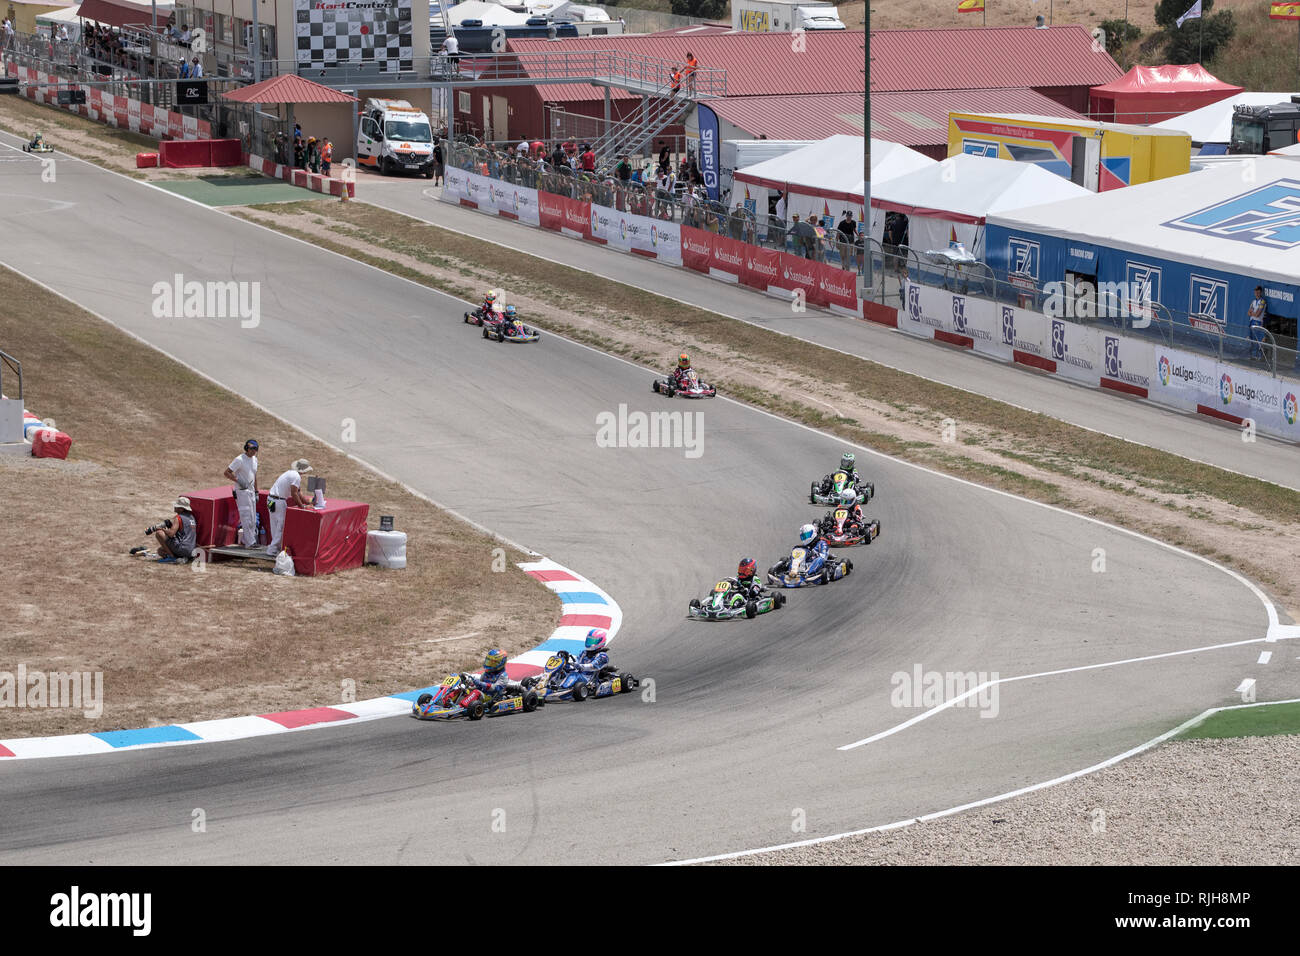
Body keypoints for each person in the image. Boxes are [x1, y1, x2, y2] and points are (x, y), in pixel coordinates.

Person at [265, 458, 314, 557]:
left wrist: (306, 501)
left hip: (271, 499)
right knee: (281, 526)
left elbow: (298, 492)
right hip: (279, 501)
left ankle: (274, 548)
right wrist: (302, 506)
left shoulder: (290, 473)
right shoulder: (296, 477)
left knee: (275, 525)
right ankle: (273, 549)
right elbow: (294, 493)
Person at [223, 439, 261, 548]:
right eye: (251, 448)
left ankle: (247, 539)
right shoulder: (239, 459)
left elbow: (254, 476)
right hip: (242, 491)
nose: (253, 451)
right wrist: (238, 480)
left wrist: (257, 491)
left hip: (251, 491)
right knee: (246, 517)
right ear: (246, 448)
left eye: (255, 449)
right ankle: (250, 542)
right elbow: (226, 473)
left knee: (253, 518)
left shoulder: (255, 460)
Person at [151, 497, 198, 562]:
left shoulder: (178, 518)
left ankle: (171, 557)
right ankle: (185, 558)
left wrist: (161, 528)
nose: (174, 507)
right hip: (191, 551)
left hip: (182, 548)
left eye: (176, 506)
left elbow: (171, 534)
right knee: (160, 551)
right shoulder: (192, 517)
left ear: (181, 509)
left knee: (159, 533)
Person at [1248, 285, 1268, 360]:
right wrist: (1254, 313)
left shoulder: (1262, 301)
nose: (1256, 293)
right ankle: (1253, 356)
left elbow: (1258, 314)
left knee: (1259, 340)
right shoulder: (1253, 301)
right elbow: (1248, 313)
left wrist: (1253, 313)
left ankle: (1260, 357)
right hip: (1252, 322)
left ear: (1261, 292)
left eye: (1258, 292)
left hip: (1258, 323)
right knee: (1252, 340)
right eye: (1255, 292)